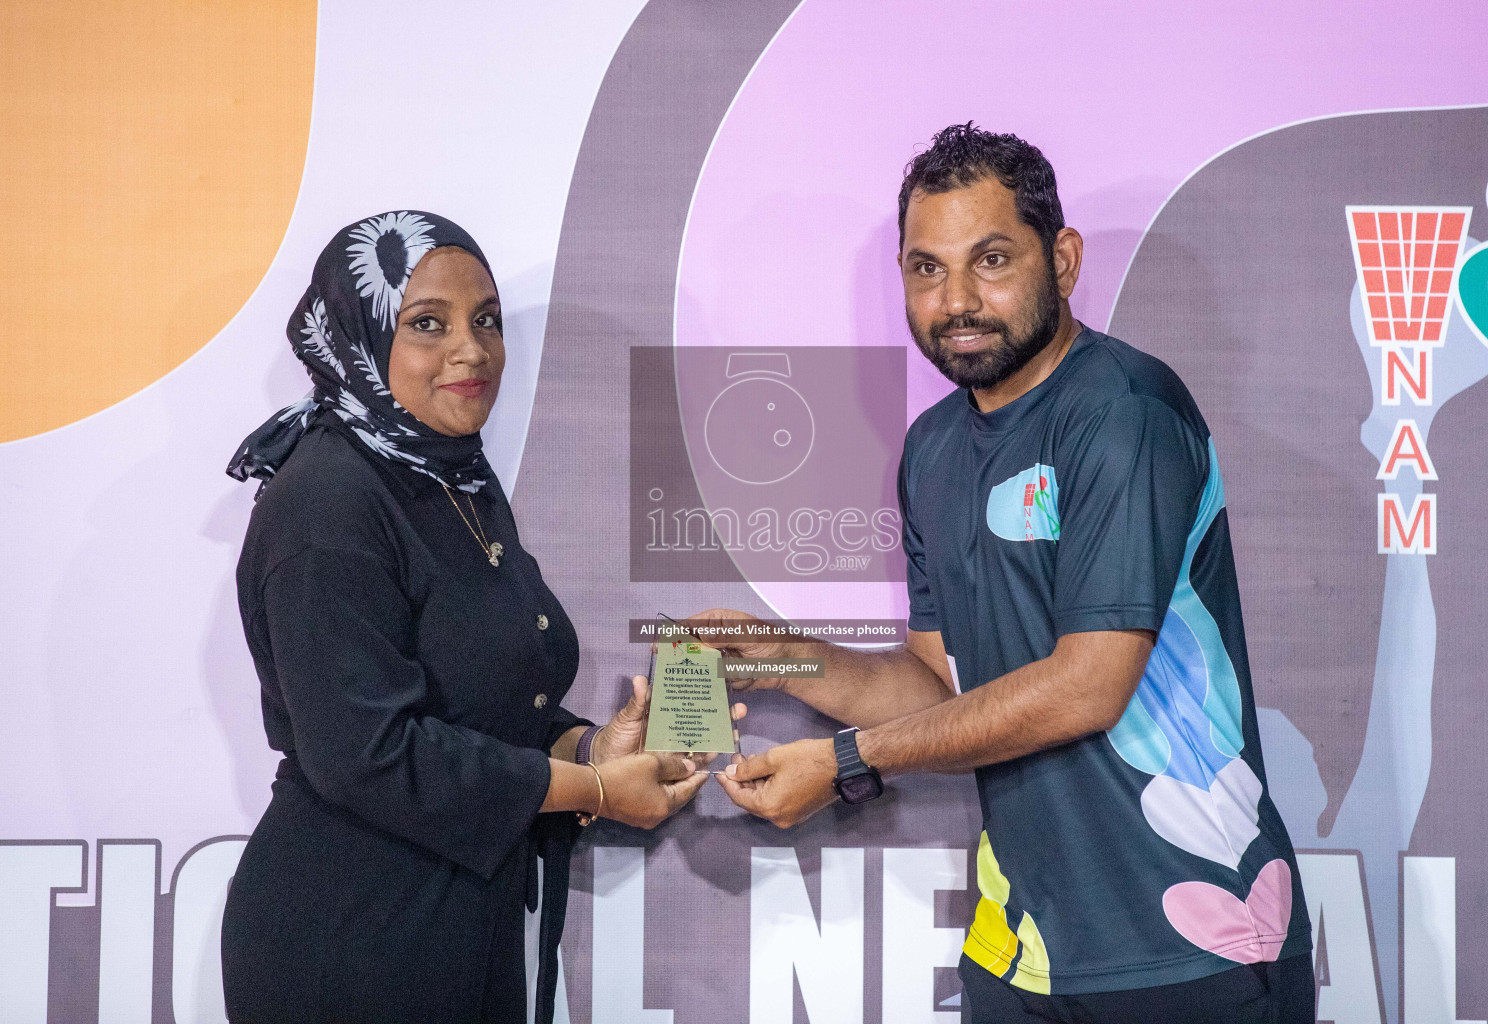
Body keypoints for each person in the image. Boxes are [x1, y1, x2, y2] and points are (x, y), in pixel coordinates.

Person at [700, 125, 1316, 1023]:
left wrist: (842, 763)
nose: (957, 300)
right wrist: (783, 655)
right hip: (1026, 948)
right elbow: (933, 685)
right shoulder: (934, 448)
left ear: (1062, 259)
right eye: (926, 268)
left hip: (1188, 943)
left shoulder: (1123, 412)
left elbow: (1085, 689)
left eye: (991, 259)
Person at [221, 211, 722, 1024]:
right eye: (429, 324)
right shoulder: (326, 502)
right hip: (347, 937)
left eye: (485, 320)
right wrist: (593, 787)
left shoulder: (451, 477)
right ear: (360, 335)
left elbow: (482, 702)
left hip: (456, 918)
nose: (473, 350)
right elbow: (369, 753)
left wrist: (591, 745)